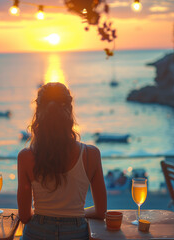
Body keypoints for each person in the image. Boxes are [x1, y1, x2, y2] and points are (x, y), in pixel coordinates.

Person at [17, 82, 107, 240]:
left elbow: (24, 216)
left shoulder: (26, 157)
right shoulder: (91, 154)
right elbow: (101, 212)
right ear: (70, 110)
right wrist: (75, 216)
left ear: (38, 112)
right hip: (76, 234)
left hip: (37, 233)